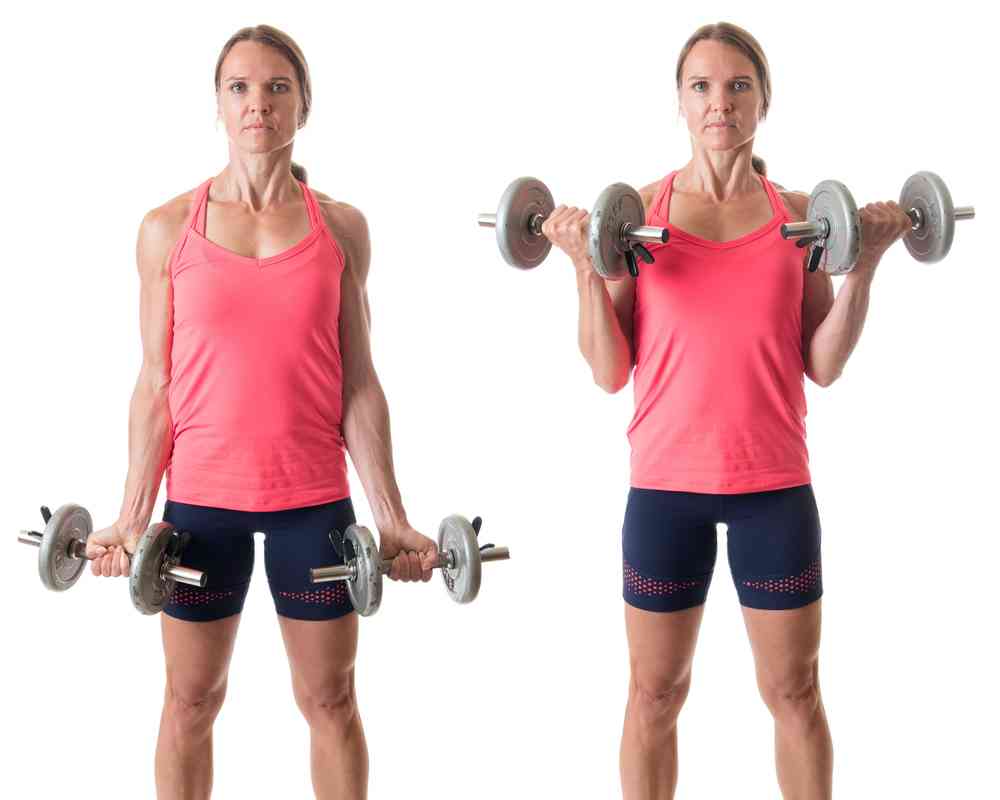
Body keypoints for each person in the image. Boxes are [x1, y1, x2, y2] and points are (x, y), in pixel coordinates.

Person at [540, 21, 912, 800]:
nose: (720, 103)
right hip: (665, 491)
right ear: (680, 102)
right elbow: (609, 372)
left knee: (795, 695)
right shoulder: (636, 216)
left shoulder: (803, 216)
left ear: (763, 102)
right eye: (702, 87)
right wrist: (581, 265)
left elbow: (823, 364)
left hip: (772, 488)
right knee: (653, 696)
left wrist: (866, 266)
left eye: (738, 86)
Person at [83, 24, 436, 800]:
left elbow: (360, 384)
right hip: (202, 508)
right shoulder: (166, 229)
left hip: (311, 505)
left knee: (330, 701)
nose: (258, 104)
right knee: (190, 702)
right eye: (240, 87)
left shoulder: (340, 228)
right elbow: (156, 384)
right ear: (218, 104)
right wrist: (131, 515)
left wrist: (394, 518)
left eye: (277, 87)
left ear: (302, 106)